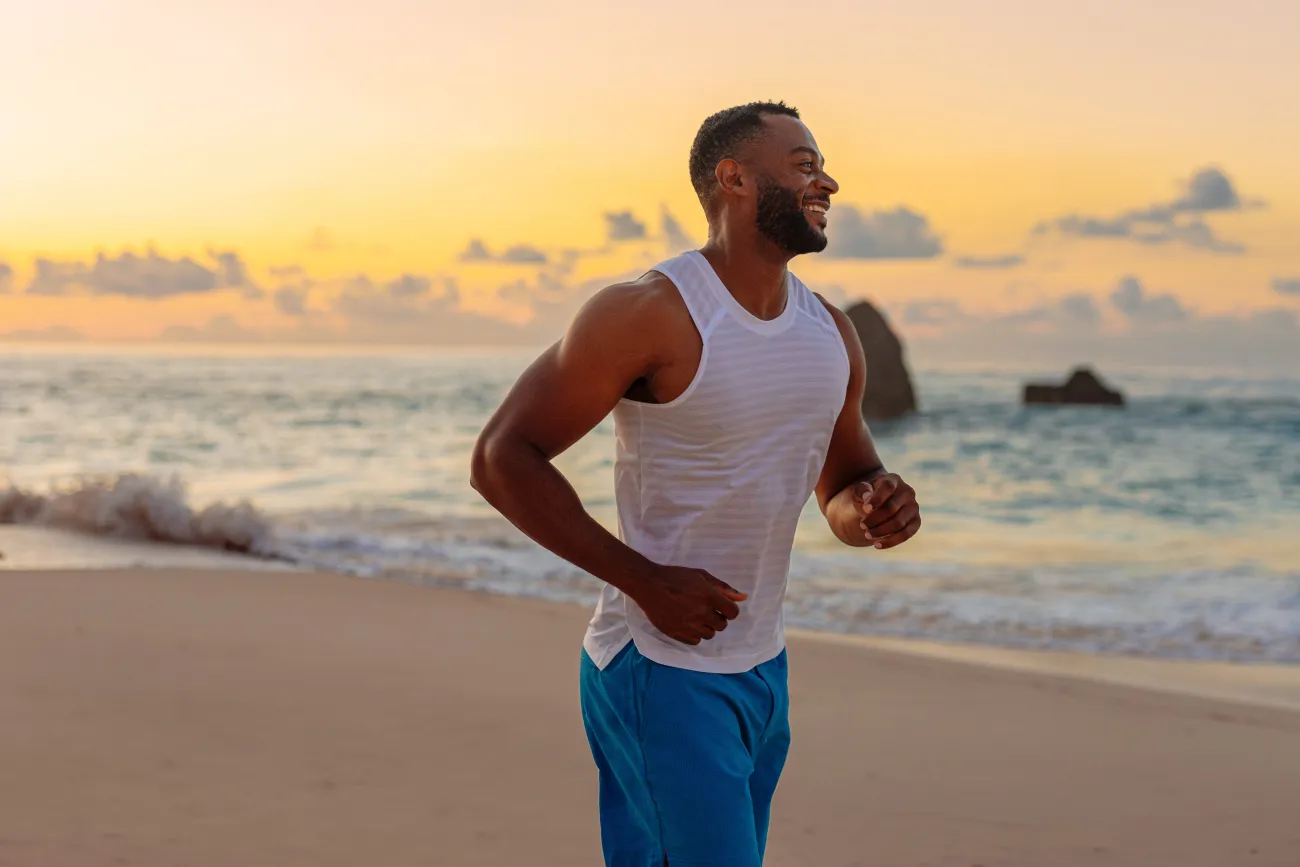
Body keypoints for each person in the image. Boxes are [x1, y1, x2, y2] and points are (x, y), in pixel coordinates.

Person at [471, 100, 921, 867]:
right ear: (734, 178)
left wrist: (875, 508)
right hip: (659, 668)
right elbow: (501, 457)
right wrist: (644, 580)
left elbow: (844, 481)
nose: (829, 183)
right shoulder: (648, 313)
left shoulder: (830, 333)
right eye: (805, 165)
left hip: (763, 668)